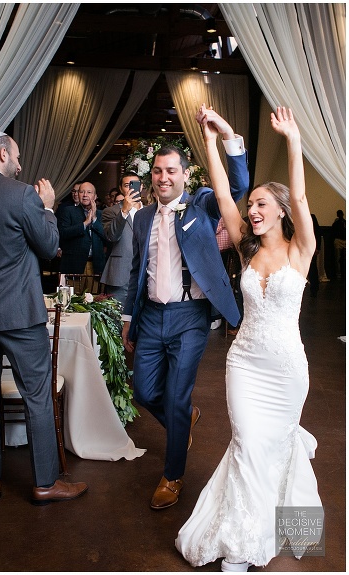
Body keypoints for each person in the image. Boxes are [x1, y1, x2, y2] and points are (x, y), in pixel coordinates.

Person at [177, 106, 322, 571]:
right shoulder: (246, 248)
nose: (252, 211)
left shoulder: (302, 250)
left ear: (281, 212)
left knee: (274, 446)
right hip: (244, 363)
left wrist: (293, 140)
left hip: (284, 371)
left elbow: (299, 196)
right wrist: (214, 139)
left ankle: (276, 529)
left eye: (261, 204)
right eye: (252, 204)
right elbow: (222, 193)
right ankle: (240, 542)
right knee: (246, 443)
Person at [121, 110, 249, 511]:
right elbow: (136, 271)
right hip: (151, 317)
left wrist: (226, 135)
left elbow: (239, 184)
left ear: (184, 174)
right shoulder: (141, 217)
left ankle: (172, 476)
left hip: (191, 318)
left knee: (175, 397)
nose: (163, 178)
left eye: (171, 171)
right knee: (144, 391)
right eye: (157, 171)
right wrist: (128, 318)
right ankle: (184, 418)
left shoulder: (203, 205)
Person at [0, 130, 88, 505]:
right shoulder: (21, 195)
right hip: (19, 314)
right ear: (2, 154)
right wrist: (48, 207)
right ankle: (45, 482)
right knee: (37, 395)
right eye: (17, 158)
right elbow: (51, 247)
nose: (20, 166)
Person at [100, 172, 143, 305]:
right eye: (126, 185)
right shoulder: (111, 211)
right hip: (120, 274)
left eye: (134, 185)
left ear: (141, 188)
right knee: (117, 319)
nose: (130, 189)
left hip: (146, 274)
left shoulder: (150, 211)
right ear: (120, 188)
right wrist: (124, 211)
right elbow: (111, 236)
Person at [58, 182, 107, 292]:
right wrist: (85, 223)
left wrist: (94, 220)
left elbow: (108, 237)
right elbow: (63, 233)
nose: (85, 195)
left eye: (89, 192)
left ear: (95, 196)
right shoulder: (68, 211)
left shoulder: (102, 214)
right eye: (82, 192)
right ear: (78, 195)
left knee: (93, 301)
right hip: (73, 265)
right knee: (72, 301)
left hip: (95, 265)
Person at [331, 209, 345, 280]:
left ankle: (341, 273)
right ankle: (339, 274)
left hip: (342, 240)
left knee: (339, 258)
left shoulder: (343, 222)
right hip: (339, 240)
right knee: (338, 258)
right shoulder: (337, 223)